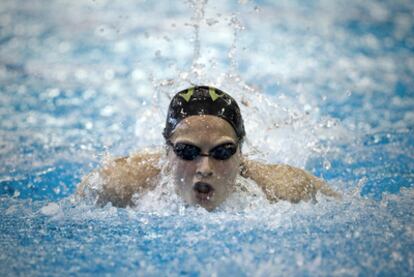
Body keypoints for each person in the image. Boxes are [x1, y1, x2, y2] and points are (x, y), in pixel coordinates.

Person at [77, 86, 340, 211]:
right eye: (188, 152)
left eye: (222, 152)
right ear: (167, 152)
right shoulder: (119, 185)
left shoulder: (286, 188)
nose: (204, 168)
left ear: (241, 153)